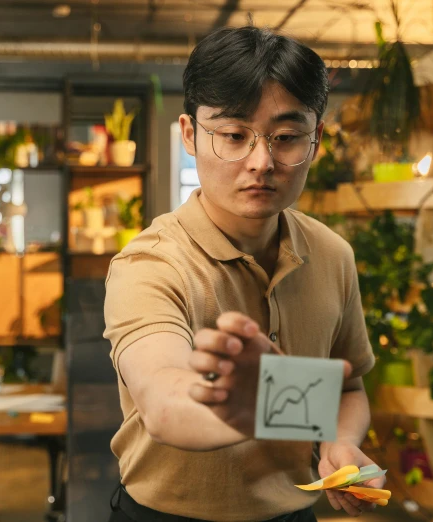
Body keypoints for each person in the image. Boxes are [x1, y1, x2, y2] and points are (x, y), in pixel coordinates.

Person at [103, 24, 384, 522]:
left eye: (286, 138)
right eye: (233, 135)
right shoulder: (149, 265)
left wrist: (339, 444)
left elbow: (348, 388)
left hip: (295, 514)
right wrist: (264, 402)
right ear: (191, 135)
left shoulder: (332, 254)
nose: (261, 161)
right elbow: (164, 403)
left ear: (316, 138)